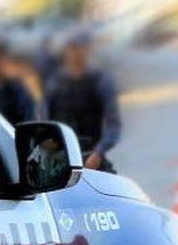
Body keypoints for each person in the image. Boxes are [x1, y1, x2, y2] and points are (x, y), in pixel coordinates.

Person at [44, 30, 121, 172]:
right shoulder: (55, 82)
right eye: (71, 48)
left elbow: (113, 124)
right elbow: (46, 121)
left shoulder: (100, 81)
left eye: (78, 48)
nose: (74, 53)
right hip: (62, 157)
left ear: (87, 50)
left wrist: (99, 152)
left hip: (91, 157)